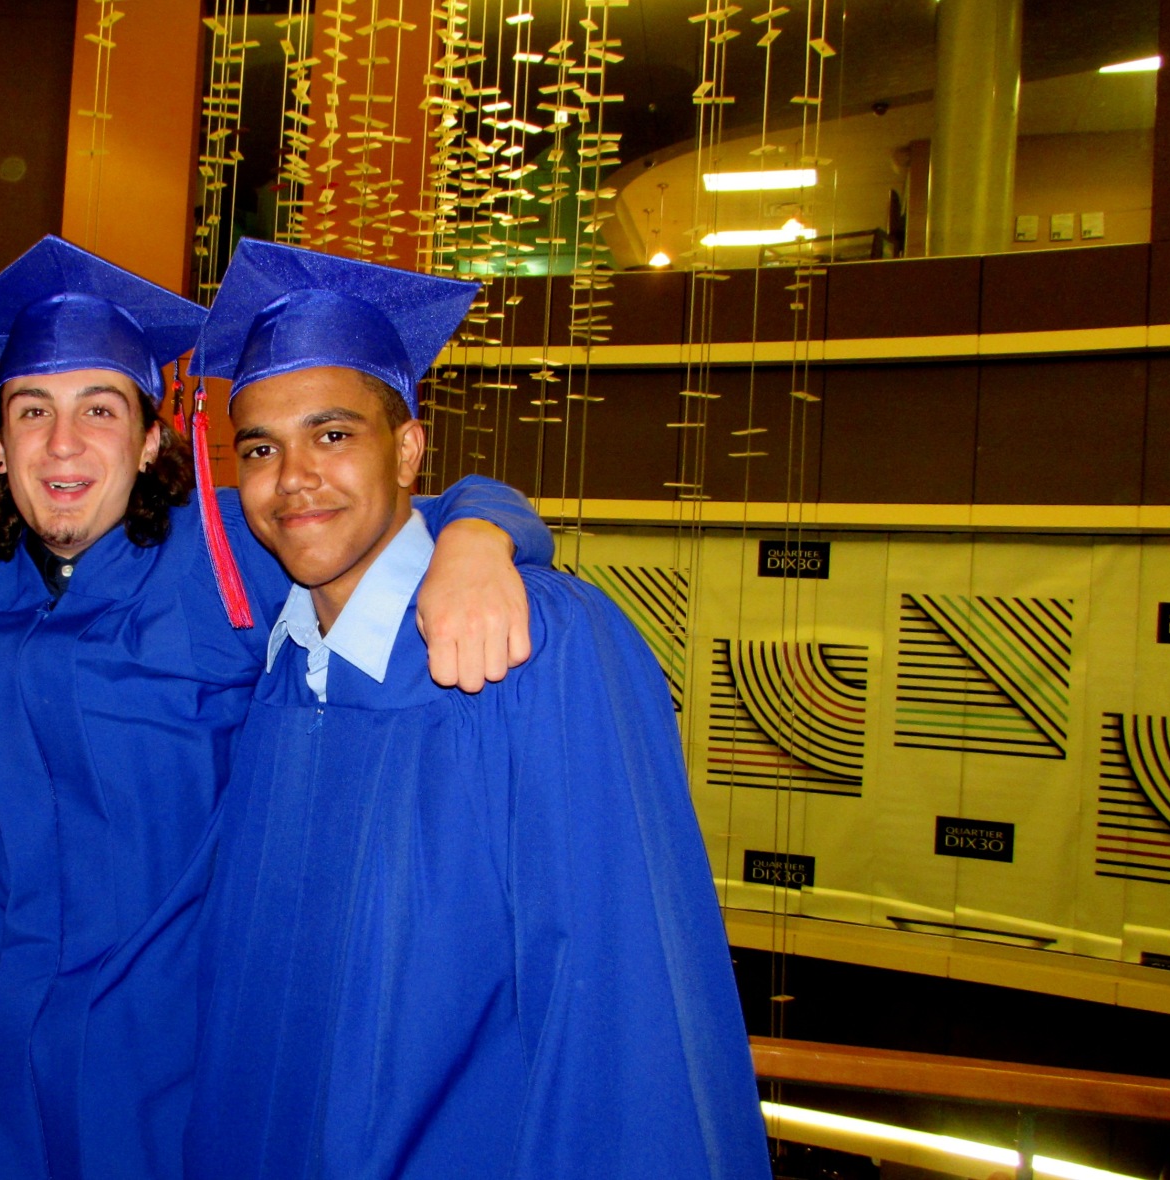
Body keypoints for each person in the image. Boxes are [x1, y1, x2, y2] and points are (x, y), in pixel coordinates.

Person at [0, 235, 554, 1180]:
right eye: (32, 412)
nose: (63, 444)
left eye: (99, 409)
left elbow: (396, 509)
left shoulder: (230, 557)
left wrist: (483, 535)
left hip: (160, 1073)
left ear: (151, 439)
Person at [182, 239, 771, 1179]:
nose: (293, 478)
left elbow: (621, 993)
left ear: (408, 449)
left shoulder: (538, 642)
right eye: (260, 448)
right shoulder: (280, 665)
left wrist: (484, 531)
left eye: (332, 436)